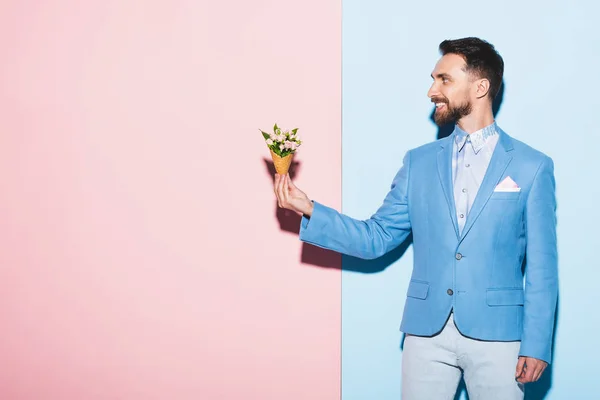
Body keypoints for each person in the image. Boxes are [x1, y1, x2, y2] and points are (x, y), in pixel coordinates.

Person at [273, 37, 558, 400]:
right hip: (426, 335)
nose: (431, 90)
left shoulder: (532, 166)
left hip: (500, 336)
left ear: (480, 86)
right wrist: (310, 207)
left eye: (444, 80)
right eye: (433, 79)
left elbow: (543, 267)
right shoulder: (418, 162)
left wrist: (537, 343)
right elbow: (376, 237)